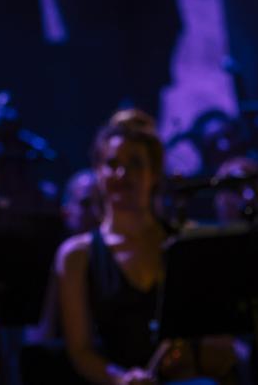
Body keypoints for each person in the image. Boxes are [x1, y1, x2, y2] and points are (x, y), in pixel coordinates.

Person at [54, 110, 236, 385]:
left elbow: (219, 341)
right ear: (98, 171)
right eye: (112, 164)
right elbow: (80, 350)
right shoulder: (77, 255)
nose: (121, 174)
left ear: (154, 174)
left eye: (135, 164)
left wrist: (199, 356)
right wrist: (122, 379)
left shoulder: (187, 240)